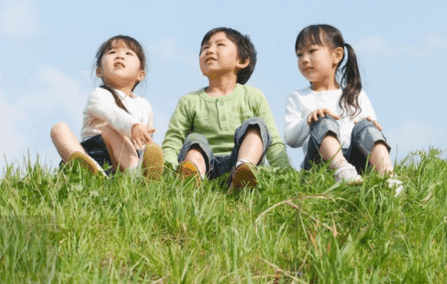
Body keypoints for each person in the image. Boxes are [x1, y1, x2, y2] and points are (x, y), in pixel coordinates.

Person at [162, 27, 291, 190]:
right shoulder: (189, 101)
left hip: (239, 159)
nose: (210, 50)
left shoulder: (253, 96)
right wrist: (167, 172)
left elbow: (272, 139)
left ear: (242, 60)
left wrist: (286, 174)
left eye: (220, 45)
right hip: (206, 165)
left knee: (256, 126)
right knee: (194, 141)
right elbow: (174, 140)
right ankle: (194, 184)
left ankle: (242, 174)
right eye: (205, 48)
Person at [284, 24, 402, 193]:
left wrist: (372, 125)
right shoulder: (297, 97)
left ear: (337, 55)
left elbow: (370, 133)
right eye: (299, 54)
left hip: (357, 160)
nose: (304, 59)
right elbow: (290, 138)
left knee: (366, 126)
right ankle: (341, 169)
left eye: (312, 51)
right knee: (322, 119)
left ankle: (388, 177)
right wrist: (310, 120)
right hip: (320, 165)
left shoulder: (356, 95)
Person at [50, 35, 163, 178]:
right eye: (112, 52)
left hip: (126, 159)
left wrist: (146, 140)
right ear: (99, 71)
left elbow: (144, 139)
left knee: (145, 146)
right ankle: (89, 170)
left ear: (140, 74)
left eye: (128, 53)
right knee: (59, 129)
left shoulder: (144, 105)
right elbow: (112, 113)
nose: (120, 56)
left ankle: (137, 174)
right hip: (93, 153)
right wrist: (134, 126)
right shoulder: (98, 94)